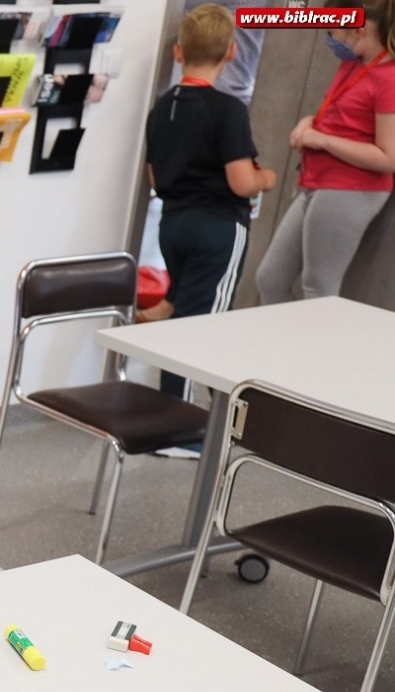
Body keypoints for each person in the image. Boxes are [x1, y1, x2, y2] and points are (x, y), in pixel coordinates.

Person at [142, 3, 276, 398]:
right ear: (232, 52)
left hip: (173, 225)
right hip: (216, 228)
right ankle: (181, 424)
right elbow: (240, 181)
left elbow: (154, 175)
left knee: (190, 315)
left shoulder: (163, 106)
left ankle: (191, 417)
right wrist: (266, 178)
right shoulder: (228, 109)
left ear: (178, 51)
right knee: (204, 326)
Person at [256, 0, 395, 305]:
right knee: (270, 278)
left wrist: (322, 140)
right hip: (315, 180)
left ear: (358, 29)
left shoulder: (388, 78)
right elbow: (336, 113)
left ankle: (309, 351)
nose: (330, 36)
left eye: (333, 29)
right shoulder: (353, 64)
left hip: (350, 189)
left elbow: (388, 157)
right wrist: (310, 123)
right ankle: (287, 347)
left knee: (319, 289)